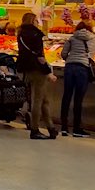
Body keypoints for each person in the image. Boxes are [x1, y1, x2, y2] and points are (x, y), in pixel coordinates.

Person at [16, 12, 57, 140]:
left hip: (26, 69)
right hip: (38, 70)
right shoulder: (35, 34)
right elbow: (40, 56)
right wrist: (48, 72)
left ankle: (51, 128)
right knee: (38, 100)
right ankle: (34, 129)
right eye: (37, 21)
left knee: (44, 99)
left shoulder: (21, 33)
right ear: (33, 21)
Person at [60, 20, 95, 137]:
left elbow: (63, 54)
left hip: (69, 67)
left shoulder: (71, 38)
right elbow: (92, 54)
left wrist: (70, 58)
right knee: (78, 99)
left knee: (66, 96)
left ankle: (64, 128)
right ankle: (77, 129)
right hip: (82, 69)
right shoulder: (93, 39)